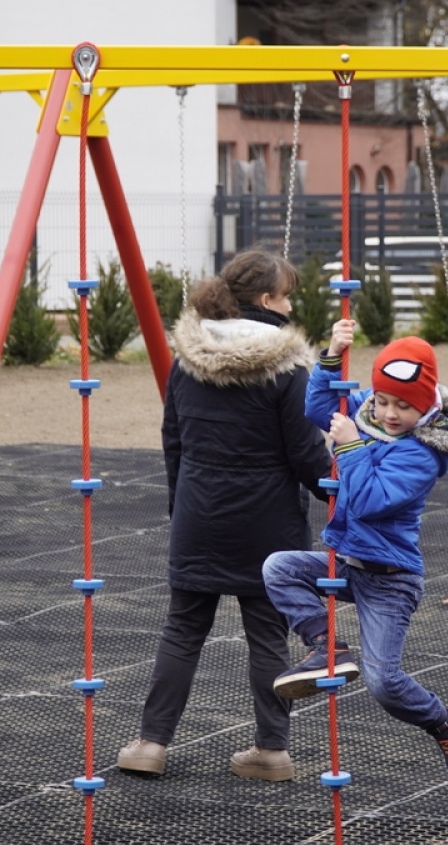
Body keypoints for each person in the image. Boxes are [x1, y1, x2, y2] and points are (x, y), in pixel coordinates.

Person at [116, 249, 334, 781]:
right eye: (285, 296)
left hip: (200, 513)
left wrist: (181, 505)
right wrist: (340, 493)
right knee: (267, 634)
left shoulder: (188, 358)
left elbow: (175, 440)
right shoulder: (287, 369)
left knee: (183, 630)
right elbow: (305, 454)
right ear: (266, 301)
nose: (289, 306)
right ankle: (272, 750)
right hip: (268, 522)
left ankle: (151, 743)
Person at [262, 333, 448, 785]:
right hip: (348, 564)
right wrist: (330, 357)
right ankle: (327, 646)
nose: (388, 414)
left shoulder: (422, 453)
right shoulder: (367, 411)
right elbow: (317, 408)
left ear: (424, 408)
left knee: (383, 683)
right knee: (278, 568)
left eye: (401, 406)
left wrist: (349, 446)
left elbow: (369, 500)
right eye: (382, 401)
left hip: (390, 579)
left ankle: (444, 722)